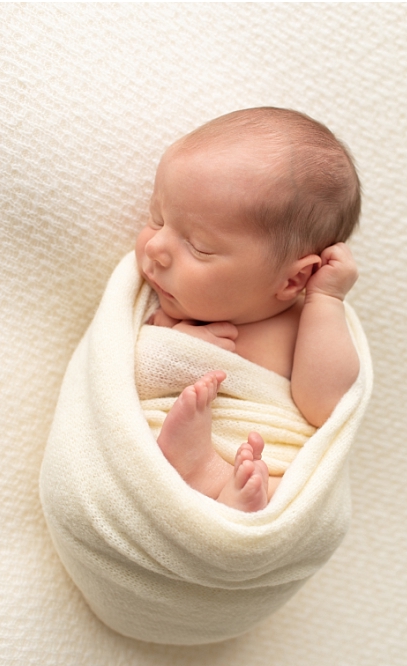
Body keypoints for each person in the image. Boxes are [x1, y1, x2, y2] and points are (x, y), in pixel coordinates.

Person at [136, 107, 361, 513]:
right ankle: (203, 474)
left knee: (291, 494)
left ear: (292, 281)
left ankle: (216, 480)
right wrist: (177, 349)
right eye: (157, 218)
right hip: (155, 476)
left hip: (265, 464)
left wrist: (327, 302)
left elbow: (326, 406)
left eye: (199, 246)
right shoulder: (165, 310)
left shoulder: (304, 325)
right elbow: (124, 375)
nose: (154, 247)